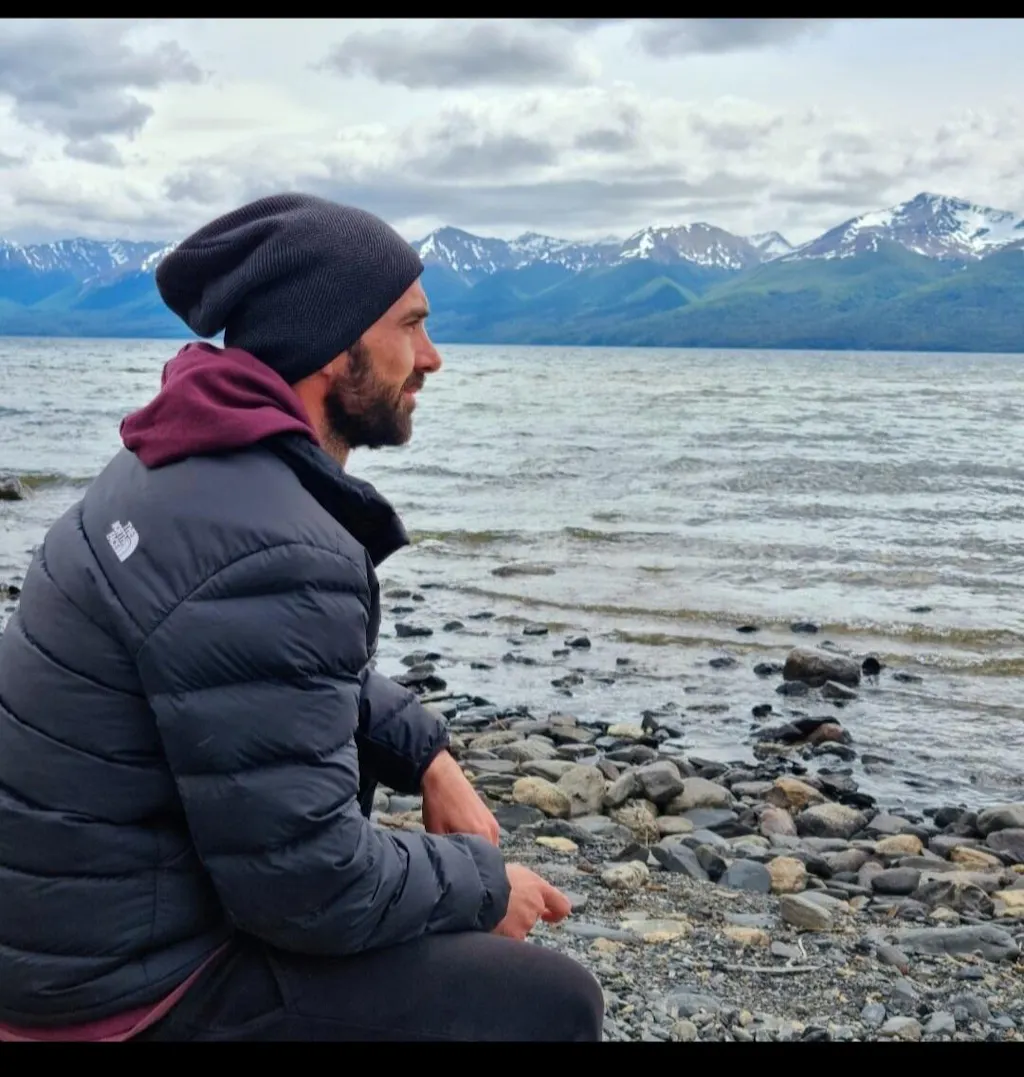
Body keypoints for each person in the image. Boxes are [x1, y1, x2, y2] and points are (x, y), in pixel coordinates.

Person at [0, 194, 605, 1042]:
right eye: (410, 325)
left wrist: (425, 752)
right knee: (553, 1001)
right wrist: (484, 881)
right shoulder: (276, 543)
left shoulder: (179, 459)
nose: (432, 357)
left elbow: (270, 667)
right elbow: (313, 886)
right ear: (332, 345)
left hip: (67, 939)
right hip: (125, 996)